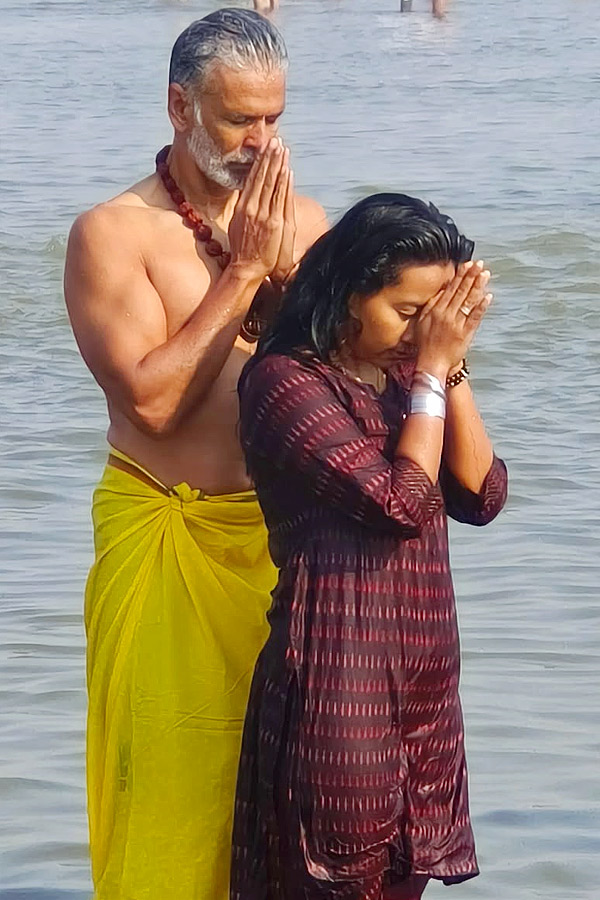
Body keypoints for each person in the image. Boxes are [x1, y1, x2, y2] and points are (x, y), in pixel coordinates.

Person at [64, 8, 327, 900]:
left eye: (275, 120)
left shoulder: (307, 222)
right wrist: (246, 272)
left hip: (282, 549)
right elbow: (155, 401)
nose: (261, 141)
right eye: (238, 119)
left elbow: (356, 384)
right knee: (176, 790)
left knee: (292, 801)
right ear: (179, 107)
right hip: (168, 536)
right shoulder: (112, 234)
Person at [231, 194, 508, 900]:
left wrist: (449, 370)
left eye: (438, 316)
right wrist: (430, 372)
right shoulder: (285, 382)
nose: (421, 335)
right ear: (351, 291)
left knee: (405, 878)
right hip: (335, 684)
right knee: (334, 878)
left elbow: (480, 495)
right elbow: (400, 501)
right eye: (409, 314)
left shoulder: (408, 383)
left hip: (423, 687)